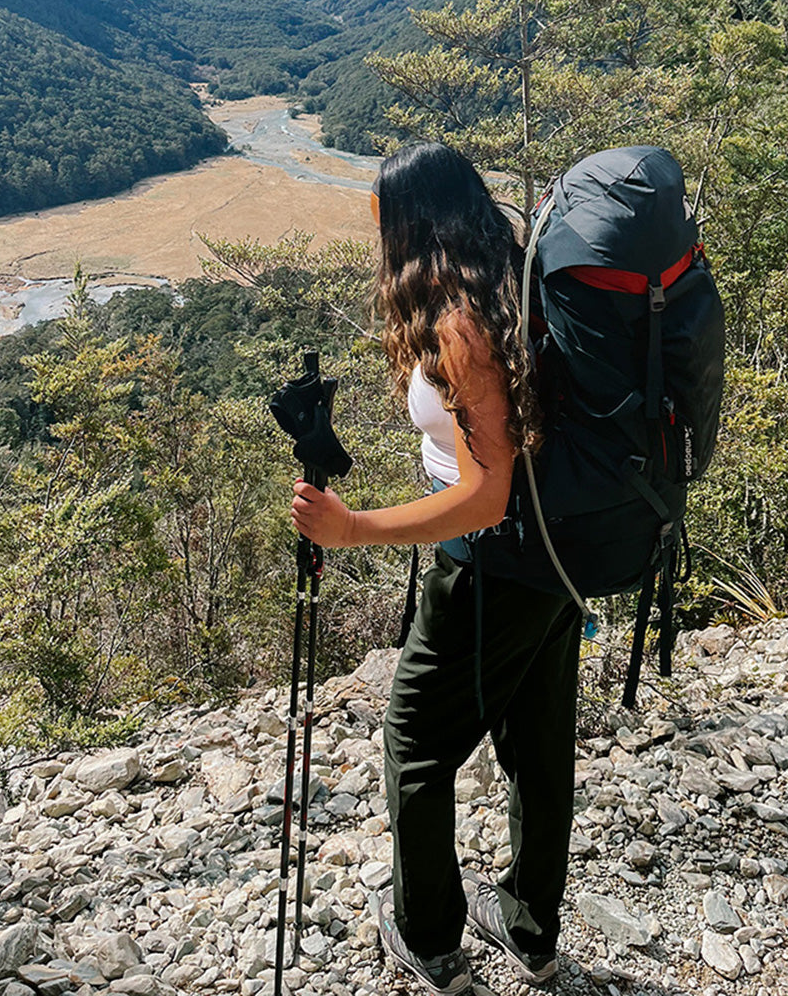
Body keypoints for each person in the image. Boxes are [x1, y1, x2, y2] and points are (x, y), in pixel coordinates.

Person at [290, 142, 582, 996]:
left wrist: (354, 530)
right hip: (556, 552)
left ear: (408, 217)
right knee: (535, 740)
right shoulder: (509, 273)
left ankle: (430, 939)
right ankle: (529, 932)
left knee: (415, 742)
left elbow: (486, 495)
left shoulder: (459, 322)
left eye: (379, 210)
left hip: (493, 563)